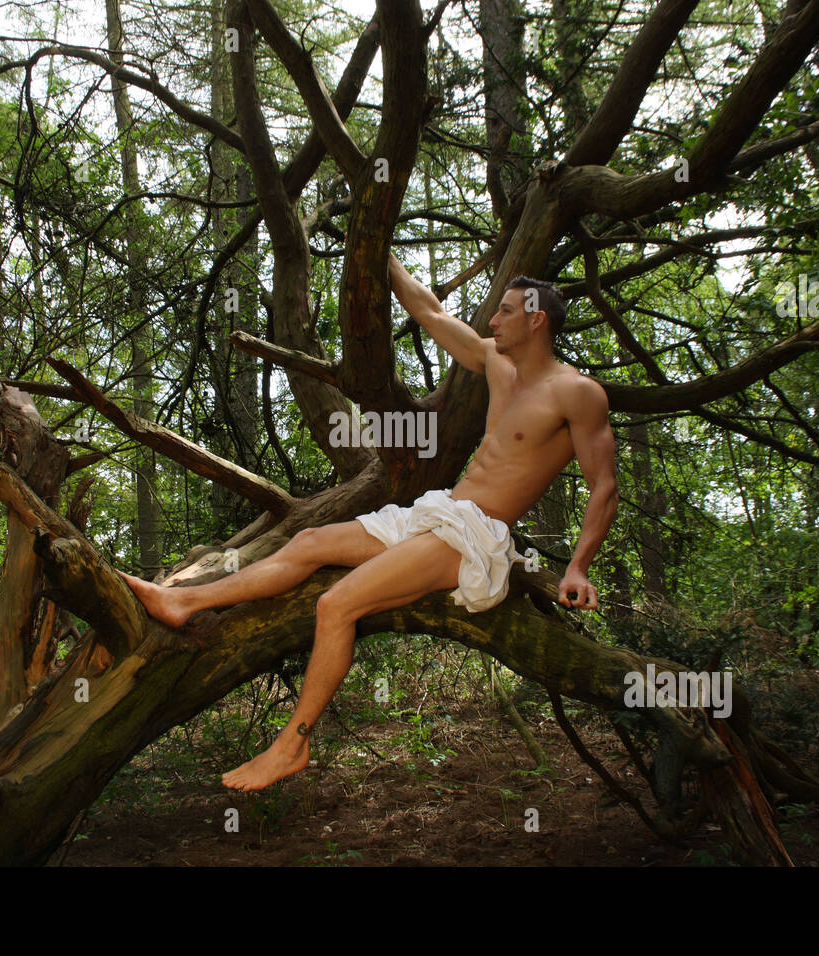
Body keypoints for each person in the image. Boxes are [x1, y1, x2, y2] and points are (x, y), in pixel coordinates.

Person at [119, 253, 618, 791]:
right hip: (438, 511)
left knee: (335, 605)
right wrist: (379, 256)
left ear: (537, 318)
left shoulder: (577, 393)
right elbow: (428, 310)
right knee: (309, 540)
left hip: (472, 537)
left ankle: (293, 744)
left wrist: (580, 567)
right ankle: (183, 601)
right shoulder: (496, 363)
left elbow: (604, 486)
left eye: (504, 311)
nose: (493, 322)